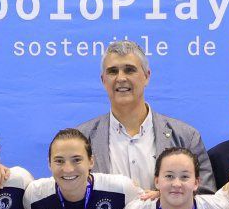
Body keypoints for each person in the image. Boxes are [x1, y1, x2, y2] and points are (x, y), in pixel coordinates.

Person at [75, 41, 213, 192]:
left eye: (129, 70)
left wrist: (166, 200)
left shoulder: (186, 137)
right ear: (103, 80)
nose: (121, 78)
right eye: (113, 71)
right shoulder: (81, 139)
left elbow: (205, 195)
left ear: (147, 76)